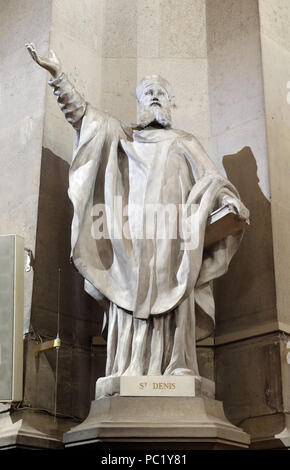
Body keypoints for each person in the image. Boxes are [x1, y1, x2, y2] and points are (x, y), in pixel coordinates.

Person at [26, 43, 249, 386]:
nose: (156, 96)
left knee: (176, 299)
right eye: (149, 92)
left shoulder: (184, 140)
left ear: (170, 102)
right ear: (140, 101)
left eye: (162, 92)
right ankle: (129, 367)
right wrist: (59, 75)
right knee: (128, 303)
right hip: (130, 245)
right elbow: (83, 116)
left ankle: (177, 366)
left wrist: (229, 201)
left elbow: (213, 180)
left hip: (175, 244)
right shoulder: (121, 136)